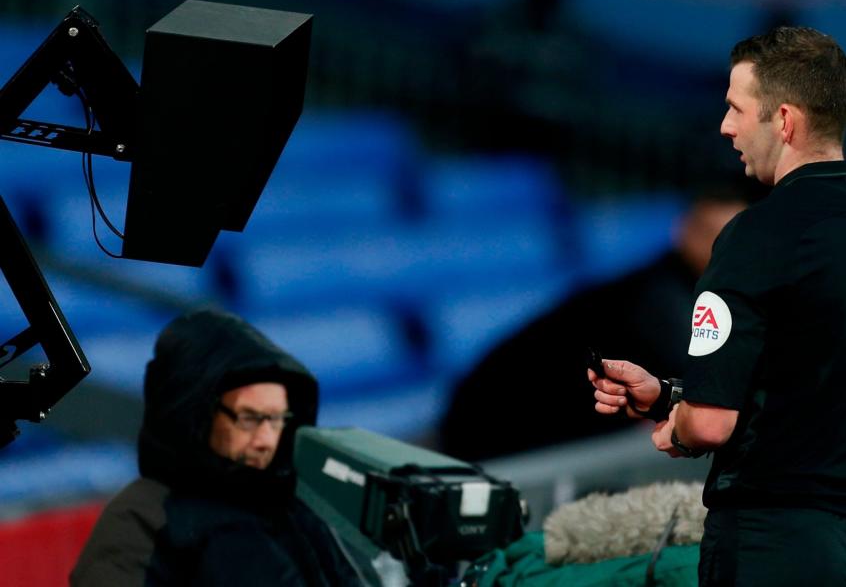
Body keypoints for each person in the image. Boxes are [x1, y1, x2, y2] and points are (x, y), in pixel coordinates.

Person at [590, 27, 846, 586]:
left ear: (785, 122)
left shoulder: (756, 235)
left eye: (736, 109)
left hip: (772, 545)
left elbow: (713, 425)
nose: (725, 127)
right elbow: (804, 389)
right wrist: (670, 396)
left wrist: (681, 426)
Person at [439, 182, 749, 461]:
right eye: (711, 236)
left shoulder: (706, 292)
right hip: (510, 436)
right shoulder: (660, 303)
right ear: (683, 230)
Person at [70, 309, 367, 587]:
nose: (266, 439)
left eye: (277, 420)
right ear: (198, 414)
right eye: (249, 418)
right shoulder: (140, 521)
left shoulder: (297, 509)